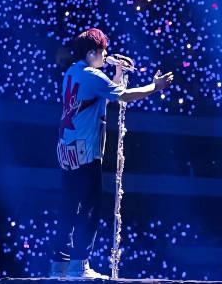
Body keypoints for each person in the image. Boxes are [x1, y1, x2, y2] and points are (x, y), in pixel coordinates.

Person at [50, 28, 174, 278]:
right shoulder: (93, 75)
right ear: (92, 53)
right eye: (103, 51)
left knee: (68, 209)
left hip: (67, 150)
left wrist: (117, 74)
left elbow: (102, 98)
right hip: (85, 152)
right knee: (89, 209)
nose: (105, 56)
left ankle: (59, 266)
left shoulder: (72, 73)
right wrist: (156, 86)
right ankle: (79, 266)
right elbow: (124, 96)